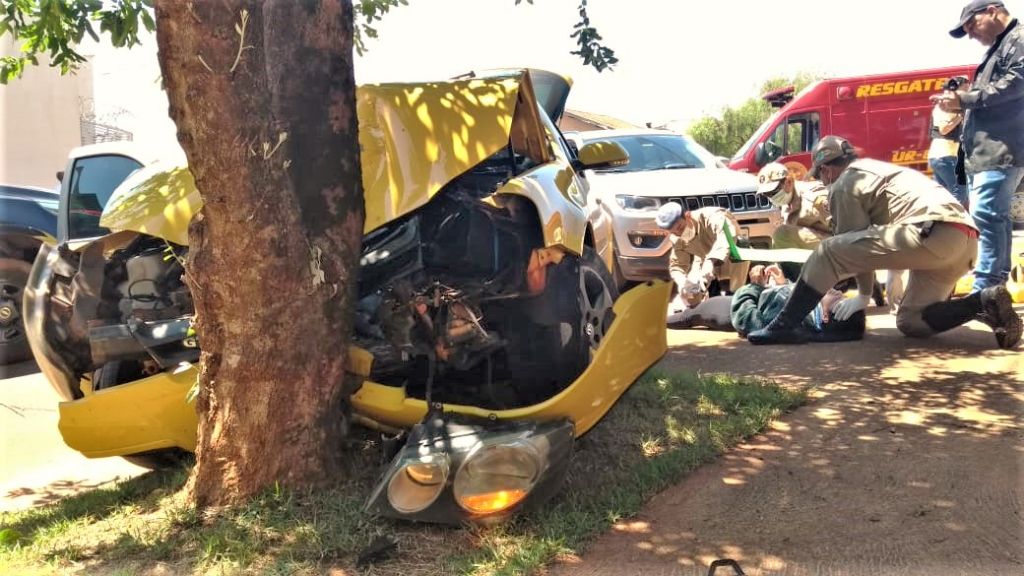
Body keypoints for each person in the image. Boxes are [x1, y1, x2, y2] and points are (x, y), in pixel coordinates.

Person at [747, 135, 1022, 349]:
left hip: (934, 234)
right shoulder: (876, 170)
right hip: (962, 239)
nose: (821, 180)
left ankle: (784, 325)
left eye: (819, 174)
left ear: (828, 170)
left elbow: (848, 247)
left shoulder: (845, 183)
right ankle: (981, 303)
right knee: (911, 321)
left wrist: (865, 296)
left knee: (828, 251)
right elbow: (866, 241)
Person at [933, 0, 1024, 293]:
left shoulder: (1018, 40)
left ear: (993, 11)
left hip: (1001, 149)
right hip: (986, 151)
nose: (971, 34)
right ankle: (991, 286)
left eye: (972, 25)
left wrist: (965, 100)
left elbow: (1017, 82)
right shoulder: (1002, 45)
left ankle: (985, 289)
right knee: (991, 217)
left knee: (988, 215)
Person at [656, 203, 751, 312]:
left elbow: (726, 236)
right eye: (674, 232)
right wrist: (683, 282)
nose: (679, 233)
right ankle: (711, 295)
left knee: (741, 245)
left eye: (680, 228)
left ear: (687, 216)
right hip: (704, 263)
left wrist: (711, 261)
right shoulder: (677, 237)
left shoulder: (712, 216)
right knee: (691, 298)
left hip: (732, 258)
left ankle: (737, 294)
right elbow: (676, 266)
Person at [731, 264, 864, 342]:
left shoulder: (790, 322)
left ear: (825, 316)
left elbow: (746, 318)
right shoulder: (810, 309)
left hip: (747, 299)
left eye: (838, 300)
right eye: (844, 297)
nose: (839, 293)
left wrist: (755, 285)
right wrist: (783, 283)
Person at [755, 162, 832, 250]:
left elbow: (845, 229)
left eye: (773, 192)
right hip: (822, 249)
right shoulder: (787, 202)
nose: (772, 197)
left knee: (782, 234)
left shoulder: (814, 198)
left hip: (837, 249)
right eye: (767, 194)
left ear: (789, 182)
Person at [928, 76, 969, 207]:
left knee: (943, 197)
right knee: (960, 192)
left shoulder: (952, 106)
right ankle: (957, 225)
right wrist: (960, 117)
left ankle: (940, 224)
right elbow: (944, 129)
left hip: (941, 156)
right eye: (965, 88)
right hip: (947, 156)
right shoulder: (946, 105)